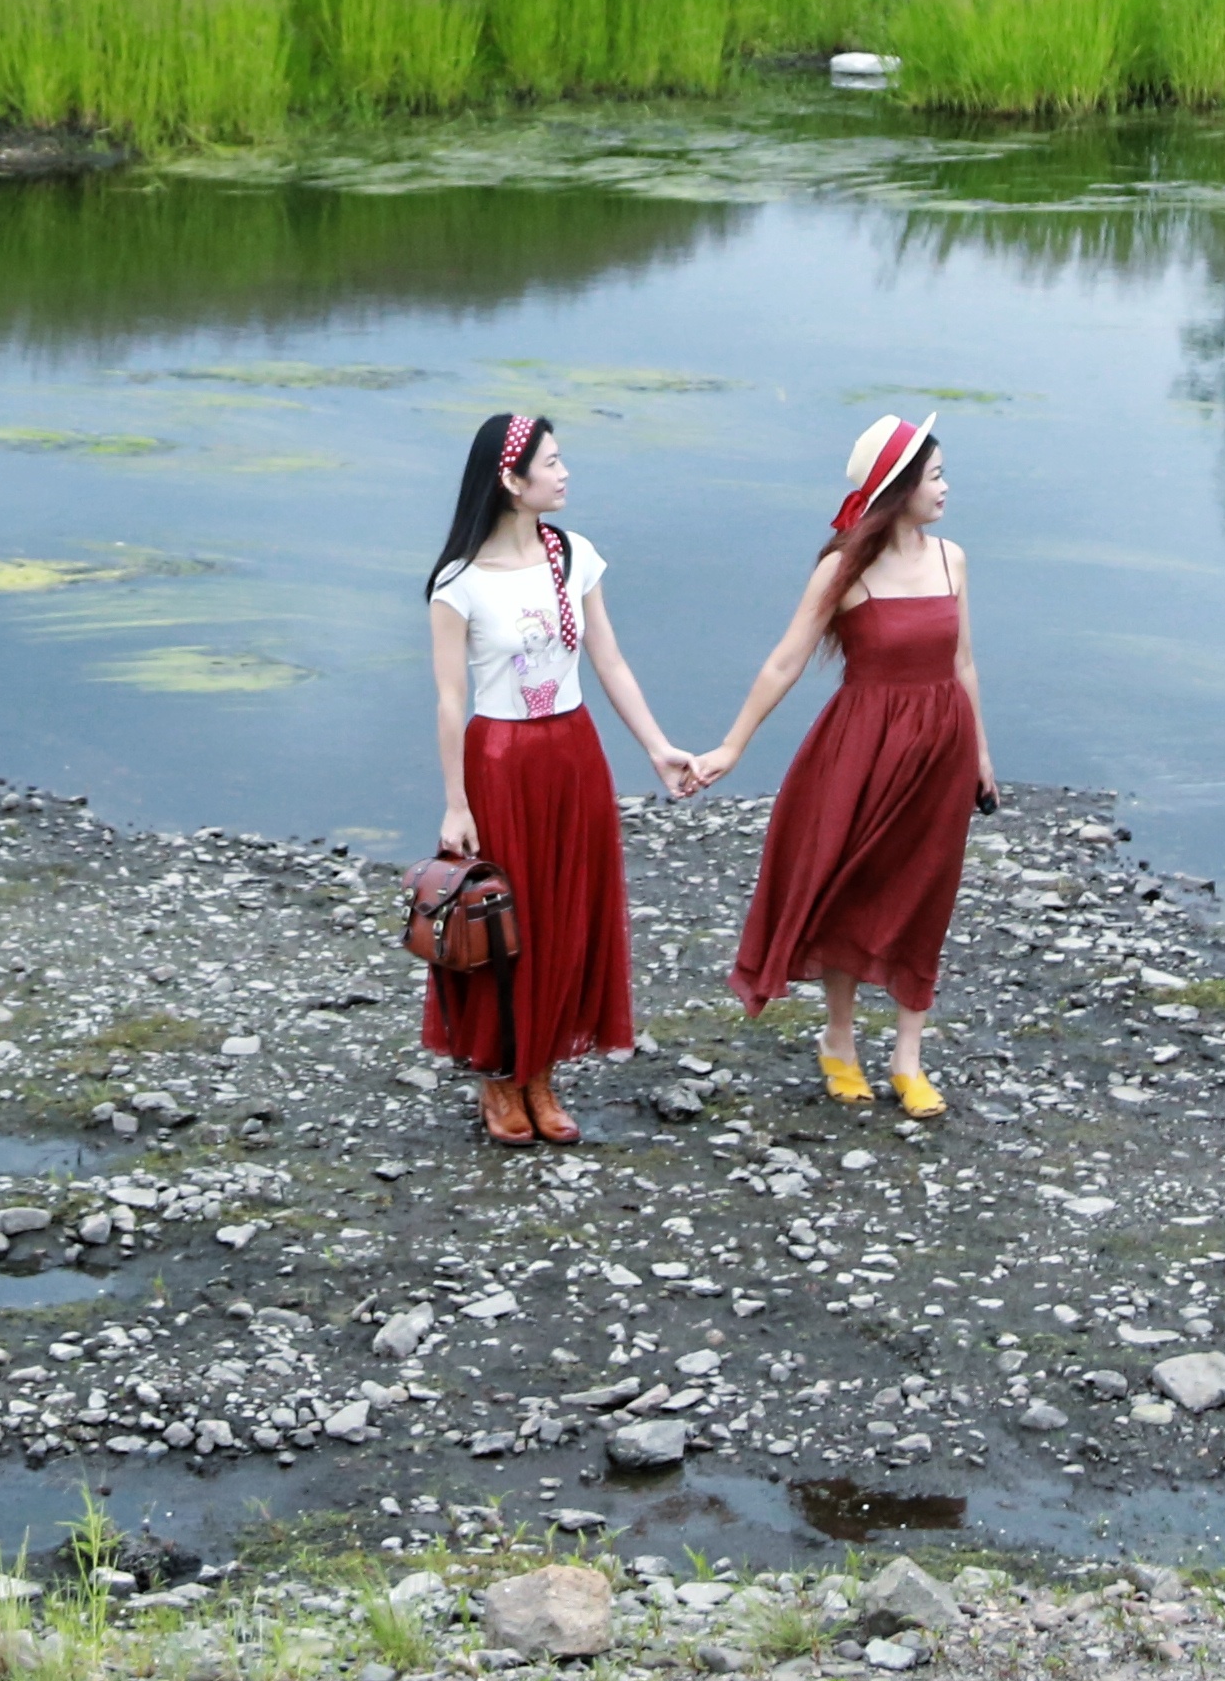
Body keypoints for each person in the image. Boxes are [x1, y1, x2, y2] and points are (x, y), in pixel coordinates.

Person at [422, 411, 707, 1148]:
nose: (564, 471)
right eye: (551, 462)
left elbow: (608, 661)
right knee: (500, 921)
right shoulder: (458, 583)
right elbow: (451, 700)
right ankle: (499, 1078)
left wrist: (656, 746)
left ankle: (541, 1070)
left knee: (564, 913)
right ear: (511, 482)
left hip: (573, 753)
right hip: (500, 761)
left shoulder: (574, 556)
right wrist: (455, 803)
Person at [691, 415, 986, 1118]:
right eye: (935, 475)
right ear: (900, 485)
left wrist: (982, 759)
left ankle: (909, 1059)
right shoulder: (843, 567)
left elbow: (965, 662)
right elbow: (787, 659)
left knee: (927, 894)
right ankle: (840, 1041)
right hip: (863, 748)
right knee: (852, 888)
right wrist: (732, 746)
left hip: (942, 747)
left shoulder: (953, 560)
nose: (946, 487)